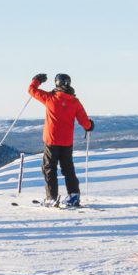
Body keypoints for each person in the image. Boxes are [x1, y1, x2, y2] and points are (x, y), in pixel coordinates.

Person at [27, 73, 93, 208]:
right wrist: (90, 125)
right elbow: (85, 123)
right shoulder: (74, 102)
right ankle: (74, 196)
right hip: (67, 142)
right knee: (68, 169)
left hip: (51, 140)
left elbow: (31, 90)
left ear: (57, 83)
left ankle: (51, 198)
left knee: (49, 168)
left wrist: (37, 80)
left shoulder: (50, 98)